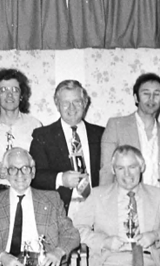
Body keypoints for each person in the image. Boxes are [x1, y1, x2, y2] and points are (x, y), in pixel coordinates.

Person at [100, 72, 160, 205]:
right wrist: (103, 205)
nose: (151, 99)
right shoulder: (116, 126)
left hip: (157, 207)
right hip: (123, 204)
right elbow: (107, 170)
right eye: (146, 93)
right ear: (136, 98)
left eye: (157, 94)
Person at [29, 80, 104, 217]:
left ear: (85, 103)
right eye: (65, 103)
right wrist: (60, 179)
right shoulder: (43, 136)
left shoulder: (101, 134)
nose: (72, 108)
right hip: (60, 213)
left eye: (77, 101)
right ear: (57, 105)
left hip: (97, 210)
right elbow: (34, 176)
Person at [0, 68, 42, 177]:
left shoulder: (35, 126)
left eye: (15, 90)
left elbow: (41, 165)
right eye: (3, 90)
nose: (9, 95)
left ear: (21, 96)